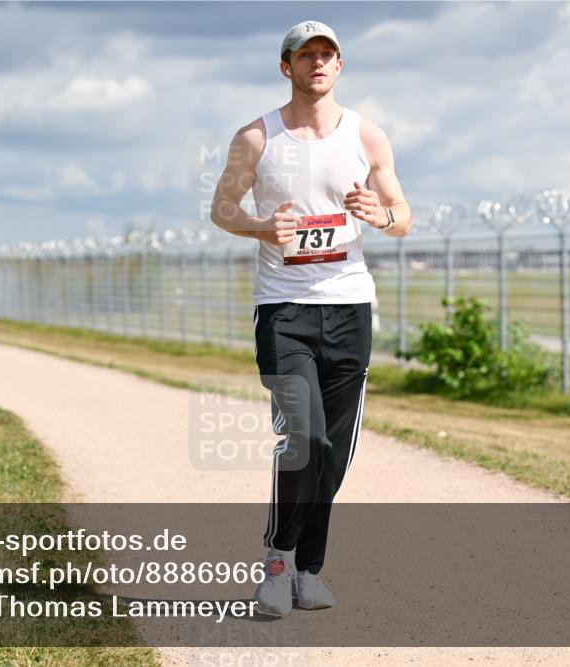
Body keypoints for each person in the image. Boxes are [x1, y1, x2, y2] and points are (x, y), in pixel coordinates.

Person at [210, 20, 411, 616]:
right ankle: (277, 562)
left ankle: (308, 569)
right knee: (304, 436)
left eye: (328, 55)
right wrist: (258, 225)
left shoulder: (367, 136)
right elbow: (221, 206)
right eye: (306, 56)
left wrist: (380, 213)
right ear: (286, 66)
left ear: (340, 66)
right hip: (284, 308)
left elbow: (403, 215)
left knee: (335, 449)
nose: (317, 63)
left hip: (349, 304)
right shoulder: (256, 137)